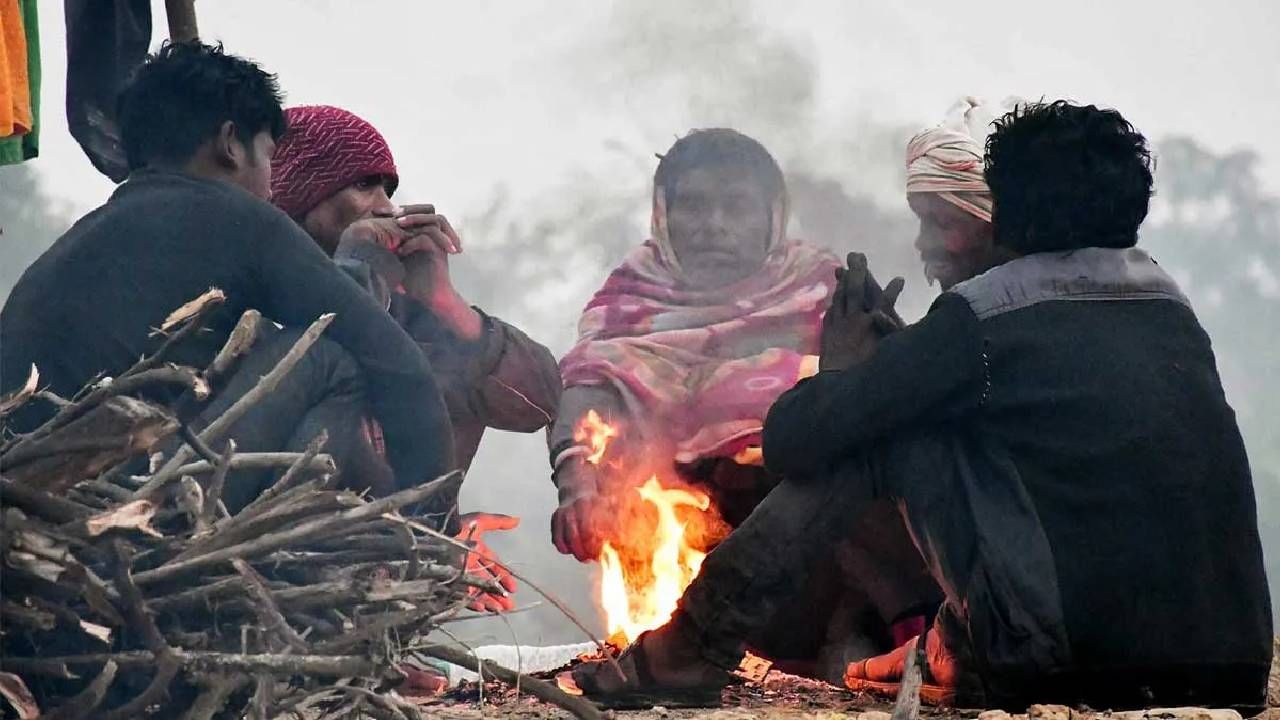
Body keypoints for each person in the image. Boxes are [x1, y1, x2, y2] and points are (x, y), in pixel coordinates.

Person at [570, 99, 1273, 712]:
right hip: (1230, 666)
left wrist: (844, 370)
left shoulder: (988, 314)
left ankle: (690, 648)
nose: (924, 243)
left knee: (870, 436)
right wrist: (902, 363)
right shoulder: (1165, 304)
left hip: (1074, 665)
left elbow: (795, 440)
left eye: (945, 221)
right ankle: (934, 643)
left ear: (1005, 214)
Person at [1, 42, 454, 515]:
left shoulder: (83, 236)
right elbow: (399, 365)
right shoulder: (236, 216)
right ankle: (280, 546)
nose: (271, 183)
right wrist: (439, 525)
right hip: (134, 511)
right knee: (325, 357)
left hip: (35, 507)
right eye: (269, 156)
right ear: (231, 143)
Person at [547, 128, 935, 674]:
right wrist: (579, 489)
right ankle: (666, 651)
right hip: (673, 541)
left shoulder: (827, 292)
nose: (714, 225)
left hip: (813, 564)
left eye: (736, 207)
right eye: (695, 206)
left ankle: (881, 644)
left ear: (773, 216)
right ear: (663, 214)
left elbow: (892, 410)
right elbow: (587, 387)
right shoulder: (630, 298)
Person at [268, 104, 562, 610]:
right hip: (278, 593)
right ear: (301, 200)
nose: (385, 208)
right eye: (363, 187)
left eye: (388, 189)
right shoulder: (257, 297)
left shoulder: (410, 313)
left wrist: (448, 305)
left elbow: (538, 404)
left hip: (383, 603)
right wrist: (353, 272)